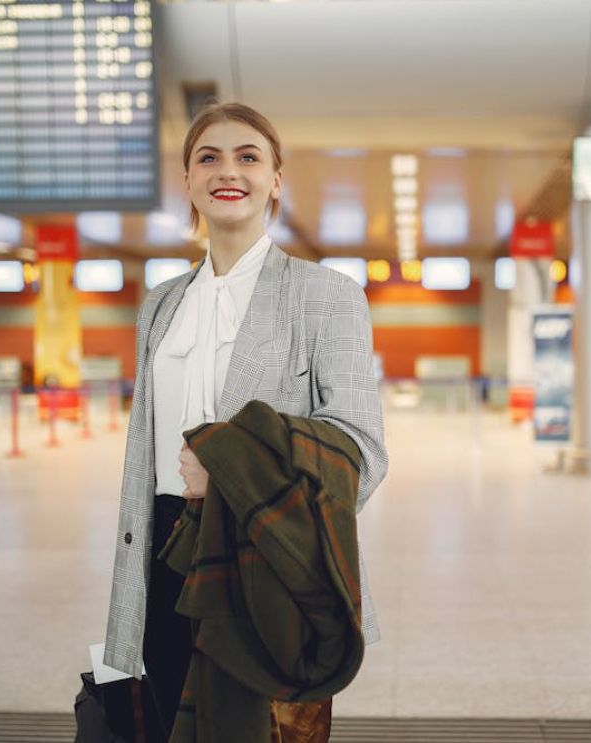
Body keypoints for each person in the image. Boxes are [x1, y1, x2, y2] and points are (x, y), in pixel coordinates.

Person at [102, 102, 388, 742]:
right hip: (164, 557)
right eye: (209, 157)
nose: (227, 171)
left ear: (275, 180)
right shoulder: (161, 305)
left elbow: (362, 454)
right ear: (188, 183)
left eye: (248, 157)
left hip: (266, 558)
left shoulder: (327, 295)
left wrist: (232, 468)